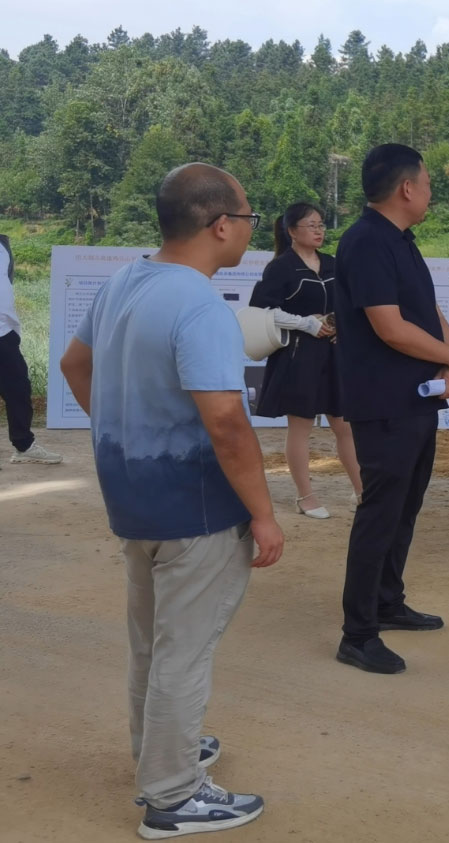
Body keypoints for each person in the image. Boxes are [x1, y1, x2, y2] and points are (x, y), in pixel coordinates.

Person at [59, 162, 282, 838]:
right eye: (247, 218)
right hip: (199, 509)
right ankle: (173, 794)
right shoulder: (199, 306)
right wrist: (264, 514)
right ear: (219, 225)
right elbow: (227, 423)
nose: (250, 229)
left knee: (152, 644)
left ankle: (159, 749)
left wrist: (123, 436)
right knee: (184, 651)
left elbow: (74, 364)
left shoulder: (123, 281)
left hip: (134, 498)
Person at [334, 144, 449, 674]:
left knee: (405, 507)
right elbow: (390, 328)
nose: (431, 193)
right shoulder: (366, 241)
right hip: (384, 402)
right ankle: (358, 633)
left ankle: (388, 601)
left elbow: (428, 312)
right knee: (381, 511)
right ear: (407, 188)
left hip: (416, 398)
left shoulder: (402, 241)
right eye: (428, 183)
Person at [248, 202, 363, 519]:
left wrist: (341, 326)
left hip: (335, 353)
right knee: (300, 428)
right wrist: (305, 323)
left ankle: (362, 492)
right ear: (292, 231)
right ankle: (306, 497)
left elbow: (351, 303)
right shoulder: (280, 268)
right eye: (311, 225)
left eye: (321, 224)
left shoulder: (333, 264)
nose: (319, 230)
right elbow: (262, 311)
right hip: (298, 356)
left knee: (345, 426)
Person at [0, 233, 62, 467]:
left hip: (4, 331)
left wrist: (12, 328)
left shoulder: (3, 245)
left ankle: (24, 446)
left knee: (18, 389)